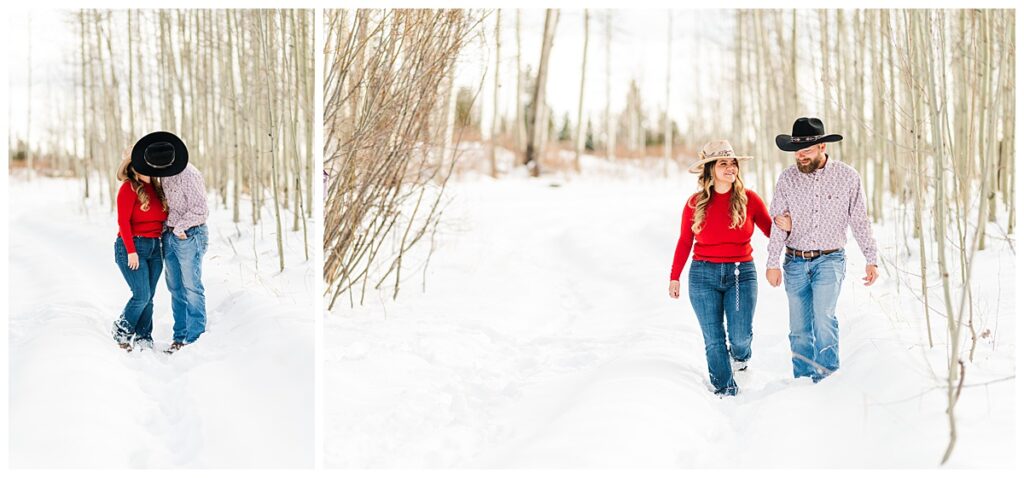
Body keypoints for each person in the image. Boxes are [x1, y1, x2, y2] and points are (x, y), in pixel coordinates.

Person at [765, 117, 879, 383]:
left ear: (822, 148)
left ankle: (827, 378)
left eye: (806, 151)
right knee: (799, 328)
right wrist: (772, 262)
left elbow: (860, 220)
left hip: (830, 259)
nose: (800, 156)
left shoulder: (848, 177)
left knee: (824, 318)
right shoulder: (787, 180)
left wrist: (871, 259)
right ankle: (803, 379)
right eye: (797, 151)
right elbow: (779, 224)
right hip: (794, 261)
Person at [668, 140, 777, 396]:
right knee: (714, 339)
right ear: (710, 169)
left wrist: (793, 231)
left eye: (733, 163)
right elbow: (685, 241)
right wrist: (674, 277)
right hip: (703, 275)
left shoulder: (749, 199)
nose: (730, 167)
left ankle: (740, 361)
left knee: (740, 337)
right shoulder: (695, 204)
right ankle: (726, 392)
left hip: (741, 274)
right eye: (723, 163)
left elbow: (773, 231)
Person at [129, 131, 209, 354]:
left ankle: (194, 338)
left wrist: (181, 229)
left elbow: (201, 210)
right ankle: (180, 335)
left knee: (191, 286)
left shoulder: (190, 175)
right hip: (169, 235)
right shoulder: (161, 174)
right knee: (174, 287)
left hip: (189, 234)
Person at [113, 148, 168, 352]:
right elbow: (123, 222)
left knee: (149, 296)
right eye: (144, 165)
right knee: (141, 295)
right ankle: (121, 330)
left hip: (155, 247)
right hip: (132, 246)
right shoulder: (128, 188)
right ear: (133, 167)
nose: (149, 169)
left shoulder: (156, 188)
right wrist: (131, 251)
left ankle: (144, 335)